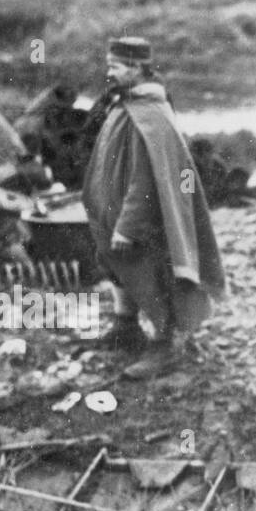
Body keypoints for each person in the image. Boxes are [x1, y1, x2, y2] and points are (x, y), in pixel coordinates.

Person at [82, 36, 225, 379]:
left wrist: (128, 225)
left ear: (135, 68)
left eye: (115, 66)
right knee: (118, 268)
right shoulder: (125, 102)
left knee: (157, 275)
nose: (109, 72)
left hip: (145, 220)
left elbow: (146, 179)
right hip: (114, 213)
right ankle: (125, 326)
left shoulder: (152, 111)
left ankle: (165, 345)